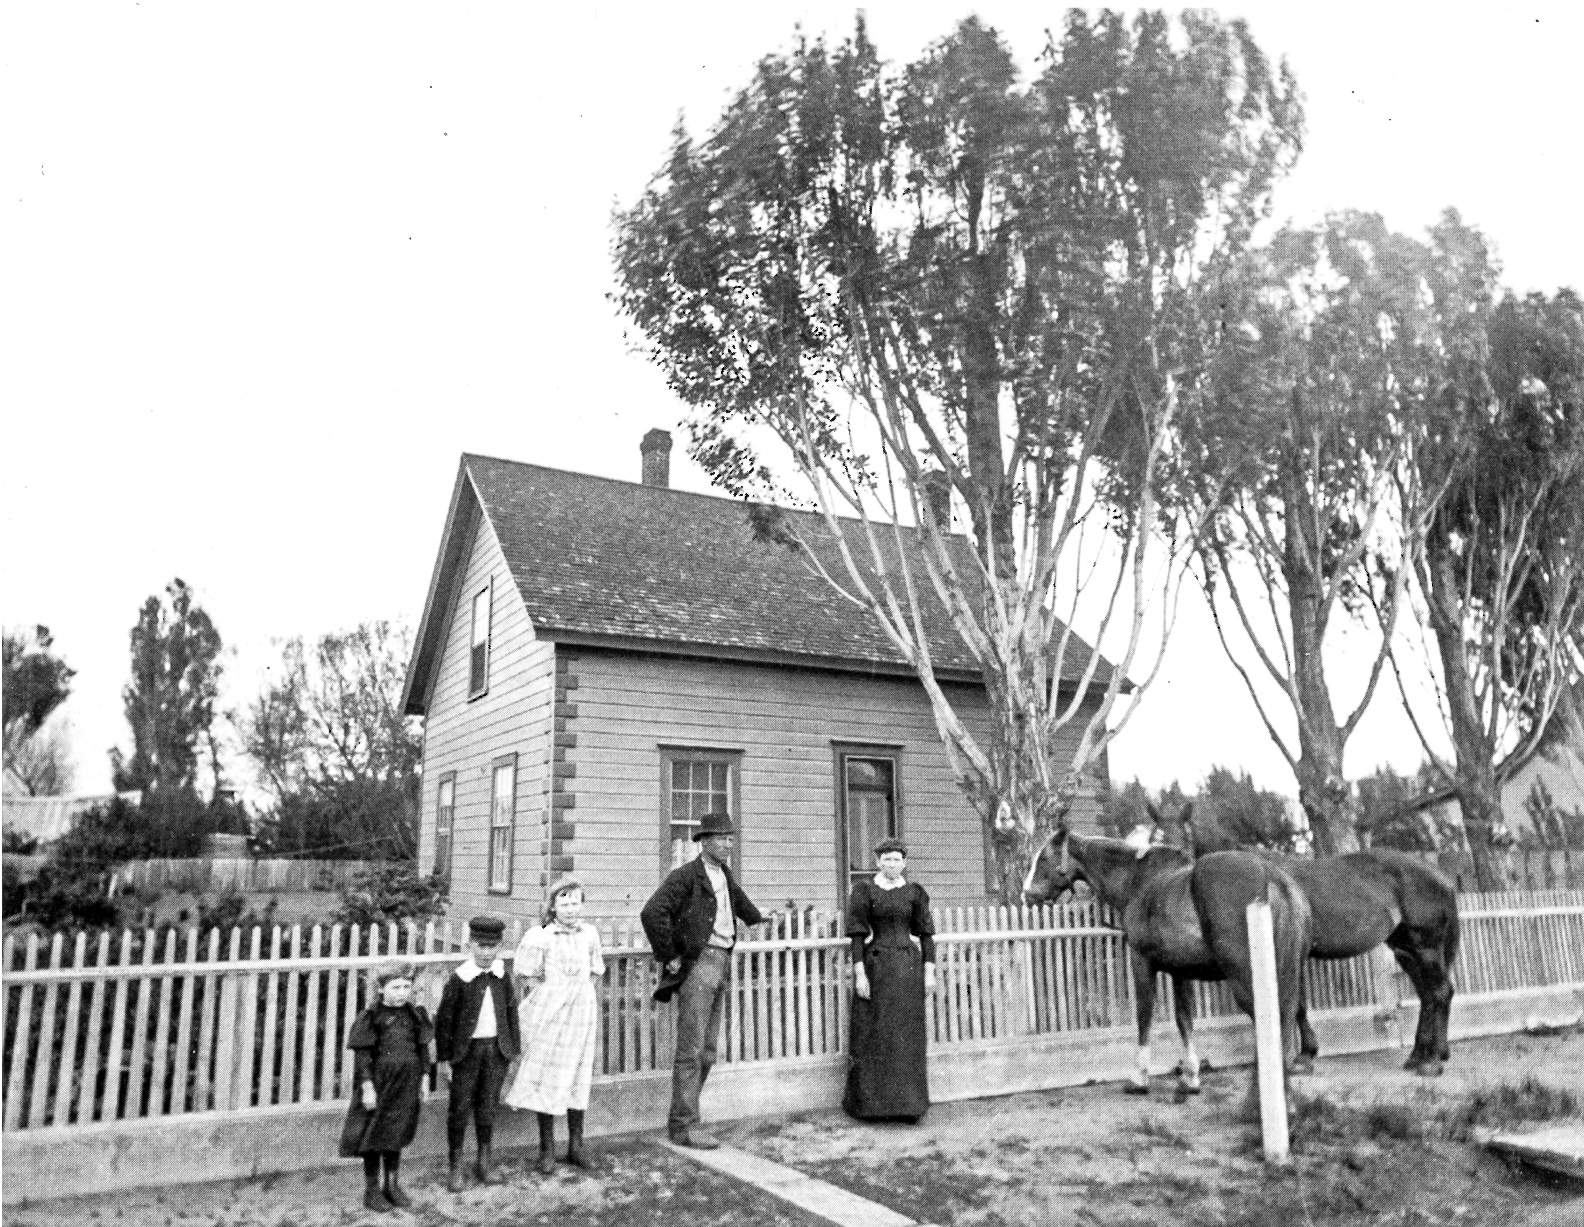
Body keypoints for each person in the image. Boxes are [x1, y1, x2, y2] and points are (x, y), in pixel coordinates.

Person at [639, 810, 763, 1149]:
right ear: (704, 842)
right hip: (699, 965)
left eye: (730, 839)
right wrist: (671, 955)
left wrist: (761, 920)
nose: (727, 844)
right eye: (721, 839)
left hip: (722, 960)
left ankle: (689, 1119)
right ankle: (683, 1126)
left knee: (707, 1052)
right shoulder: (686, 877)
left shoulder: (723, 873)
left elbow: (741, 905)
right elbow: (652, 913)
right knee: (692, 1050)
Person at [504, 876, 607, 1174]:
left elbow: (595, 971)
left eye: (576, 902)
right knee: (548, 1077)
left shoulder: (590, 934)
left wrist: (579, 992)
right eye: (564, 902)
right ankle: (546, 1149)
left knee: (578, 1075)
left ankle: (576, 1145)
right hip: (550, 1013)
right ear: (552, 906)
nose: (571, 908)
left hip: (581, 1014)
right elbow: (528, 976)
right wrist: (555, 994)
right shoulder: (541, 936)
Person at [843, 838, 936, 1121]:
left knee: (906, 1037)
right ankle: (872, 1107)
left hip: (908, 968)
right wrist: (860, 973)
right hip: (877, 967)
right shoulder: (864, 890)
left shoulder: (914, 892)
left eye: (897, 859)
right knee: (876, 1035)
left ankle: (909, 1106)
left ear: (904, 863)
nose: (891, 864)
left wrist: (929, 972)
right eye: (886, 859)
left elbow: (926, 935)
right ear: (877, 862)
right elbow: (858, 935)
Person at [338, 962, 434, 1213]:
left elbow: (423, 1048)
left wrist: (424, 1077)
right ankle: (372, 1189)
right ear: (381, 989)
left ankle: (392, 1185)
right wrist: (367, 1086)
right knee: (373, 1134)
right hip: (379, 1085)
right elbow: (362, 1056)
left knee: (396, 1132)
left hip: (407, 1083)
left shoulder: (414, 1014)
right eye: (395, 987)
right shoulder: (372, 1016)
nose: (402, 992)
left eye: (406, 987)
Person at [434, 915, 520, 1192]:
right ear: (469, 945)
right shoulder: (460, 979)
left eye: (491, 947)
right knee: (459, 1109)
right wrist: (445, 1058)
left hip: (495, 1051)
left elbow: (510, 1013)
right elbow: (445, 1021)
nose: (485, 953)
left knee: (488, 1107)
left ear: (499, 947)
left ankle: (484, 1161)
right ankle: (456, 1165)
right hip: (466, 1053)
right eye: (480, 946)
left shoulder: (502, 976)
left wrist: (512, 1050)